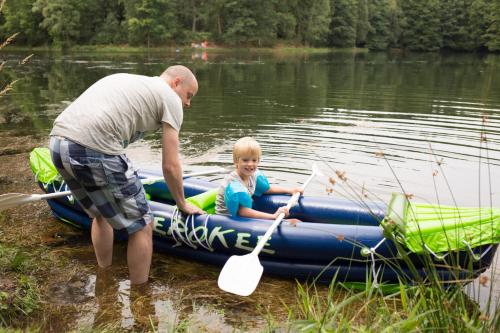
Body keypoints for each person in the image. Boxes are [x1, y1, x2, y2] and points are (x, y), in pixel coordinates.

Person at [48, 65, 204, 285]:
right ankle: (140, 295)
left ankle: (105, 276)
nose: (188, 103)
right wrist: (181, 203)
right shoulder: (170, 98)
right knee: (142, 224)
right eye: (189, 96)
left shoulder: (134, 81)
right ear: (176, 82)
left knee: (101, 214)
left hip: (58, 144)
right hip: (92, 150)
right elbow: (170, 165)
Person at [215, 137, 302, 224]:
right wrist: (273, 216)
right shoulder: (233, 182)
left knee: (296, 221)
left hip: (241, 216)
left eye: (254, 160)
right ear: (236, 161)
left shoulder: (252, 175)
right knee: (293, 222)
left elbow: (267, 190)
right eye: (245, 160)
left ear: (258, 161)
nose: (250, 164)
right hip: (227, 220)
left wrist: (290, 190)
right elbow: (242, 211)